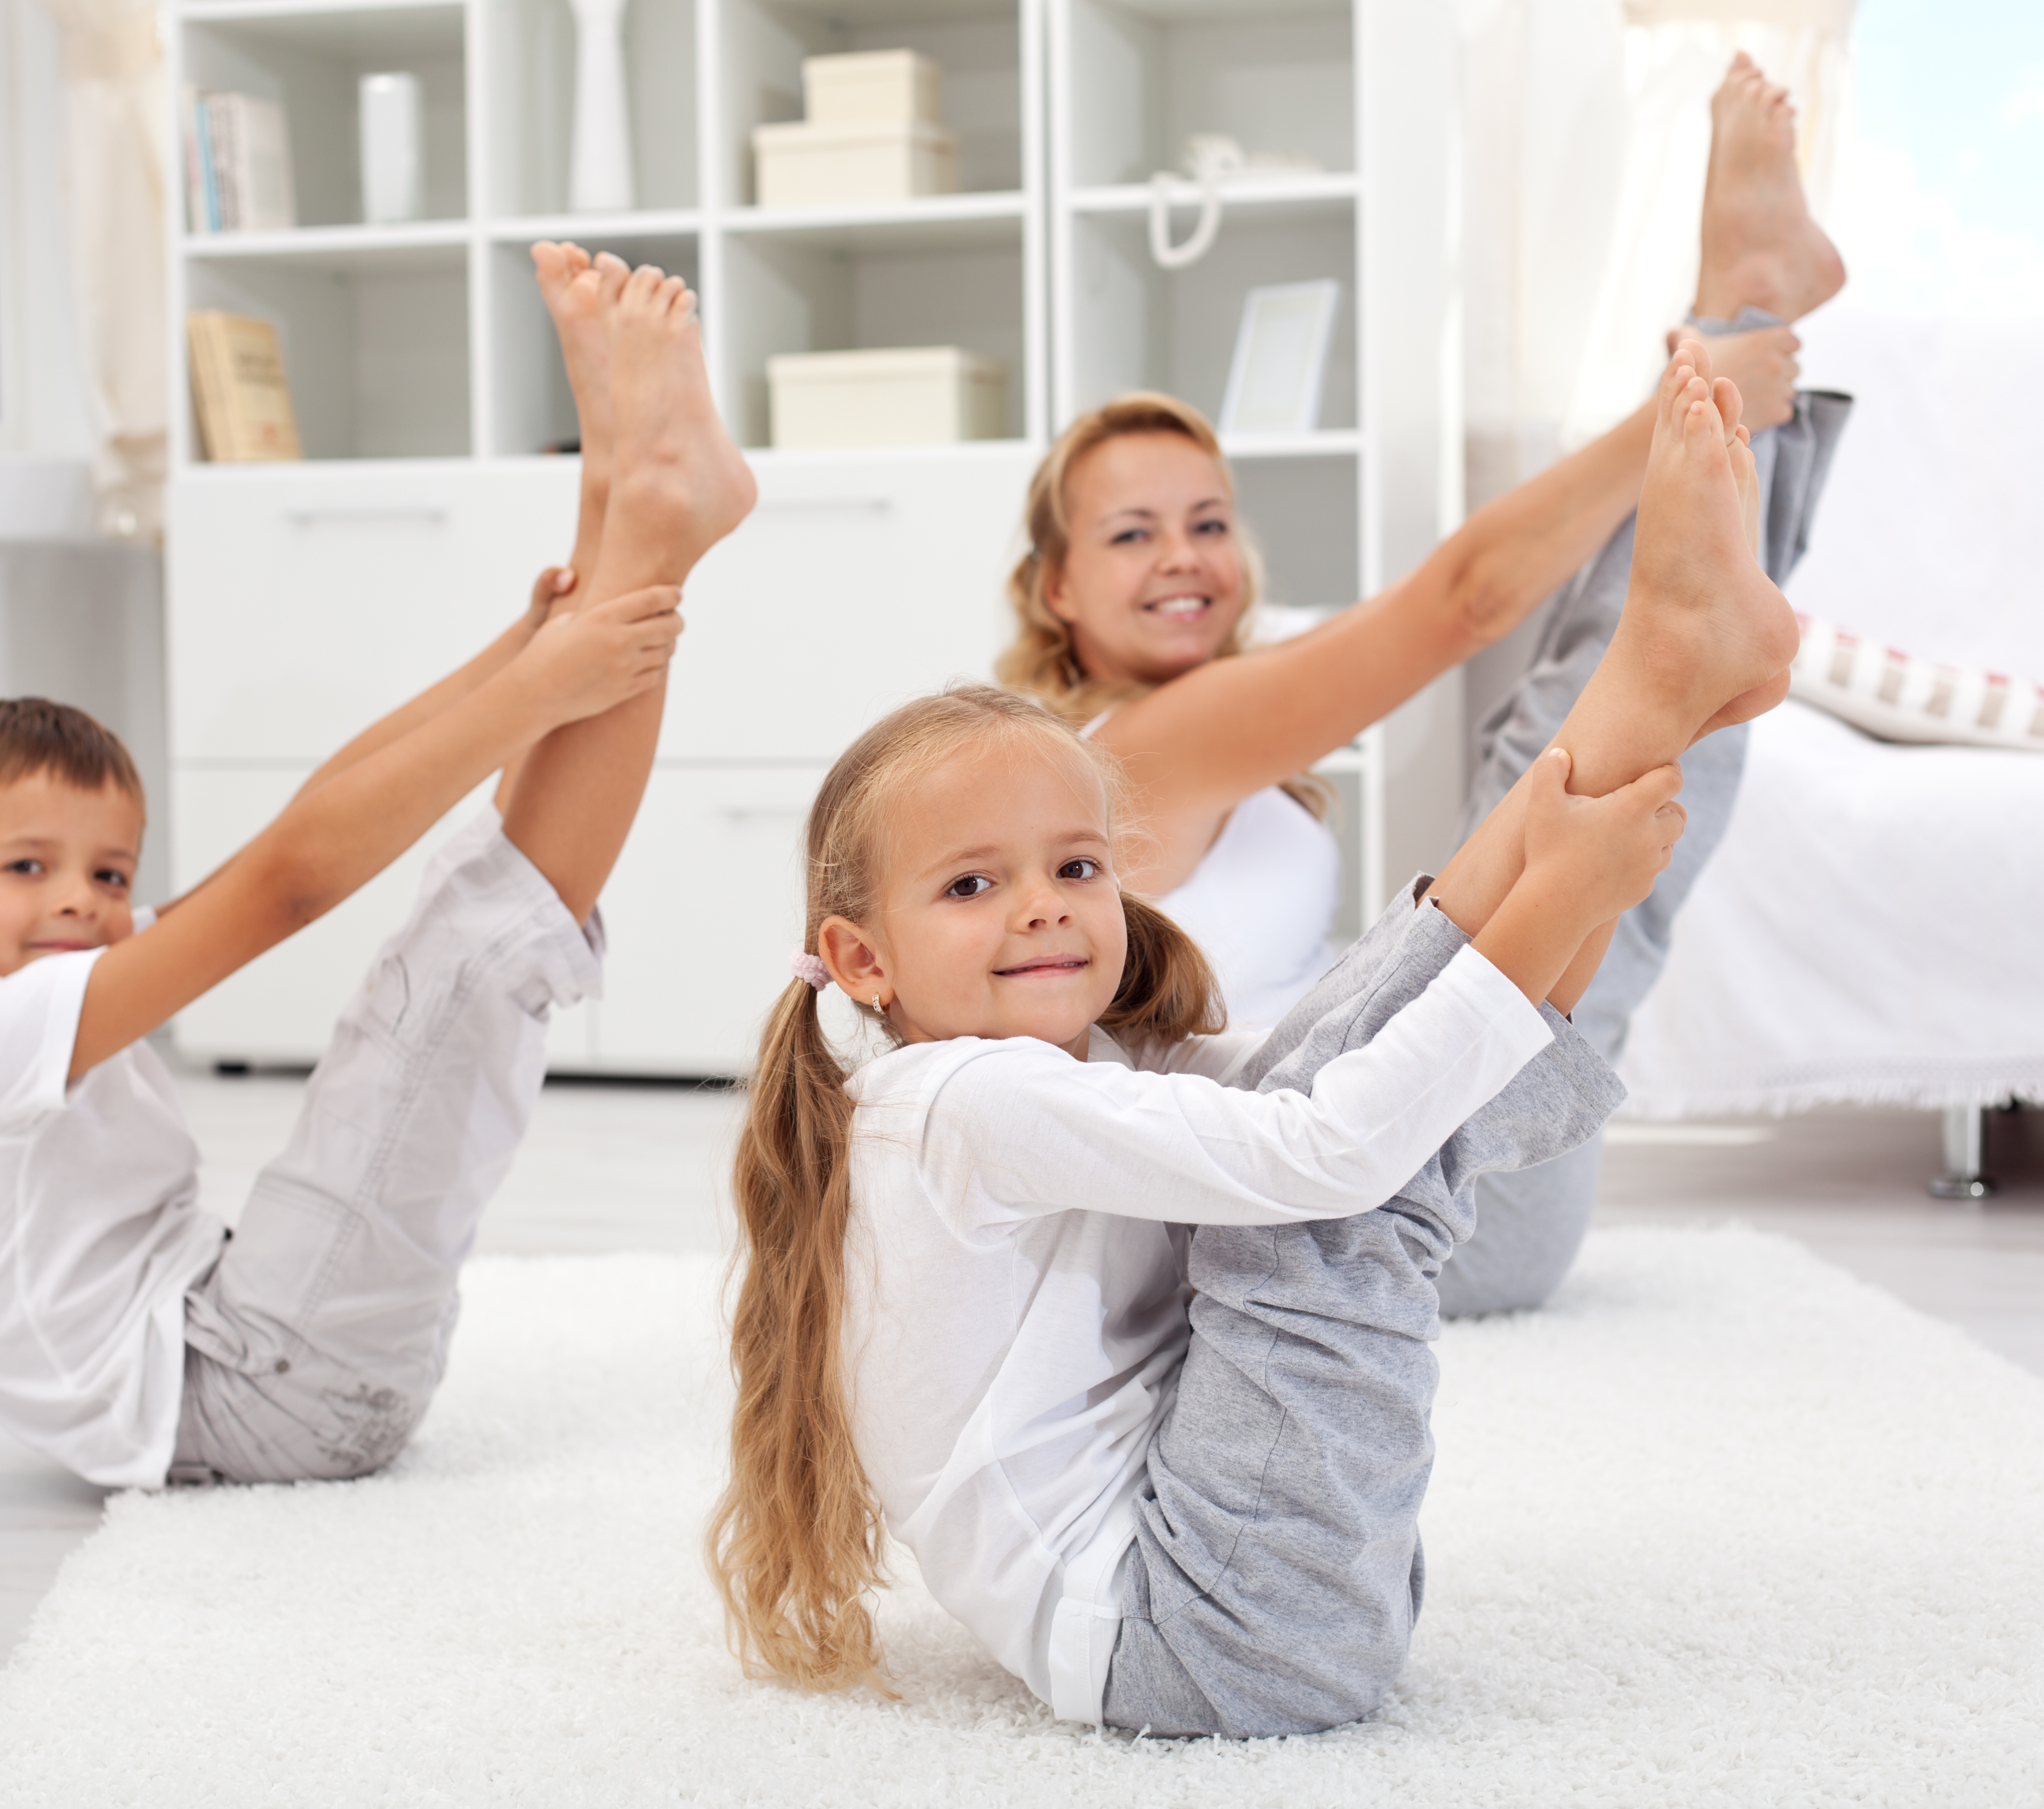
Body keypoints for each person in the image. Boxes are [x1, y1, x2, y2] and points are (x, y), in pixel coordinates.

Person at [711, 341, 1796, 1734]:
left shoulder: (1045, 1067)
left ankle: (1656, 688)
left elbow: (1309, 1090)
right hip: (1215, 1638)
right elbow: (1329, 1160)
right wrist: (1564, 895)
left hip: (1268, 1592)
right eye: (974, 886)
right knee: (1316, 1185)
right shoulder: (957, 1104)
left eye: (1080, 870)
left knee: (1309, 1103)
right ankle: (1651, 688)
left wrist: (1546, 879)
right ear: (862, 959)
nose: (1043, 909)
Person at [0, 248, 755, 1486]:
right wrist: (540, 687)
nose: (83, 900)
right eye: (29, 867)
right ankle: (659, 535)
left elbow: (308, 814)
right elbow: (290, 879)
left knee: (465, 913)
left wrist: (526, 653)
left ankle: (617, 488)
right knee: (463, 959)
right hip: (257, 1394)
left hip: (258, 1341)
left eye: (112, 875)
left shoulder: (27, 1004)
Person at [995, 55, 1854, 1316]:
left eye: (1210, 522)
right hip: (1407, 1207)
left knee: (1557, 732)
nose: (1183, 557)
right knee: (1586, 773)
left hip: (1393, 1161)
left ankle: (1740, 312)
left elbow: (1479, 601)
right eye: (1130, 535)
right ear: (1056, 589)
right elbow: (1464, 601)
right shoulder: (1131, 745)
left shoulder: (1193, 722)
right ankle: (1736, 314)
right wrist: (1686, 399)